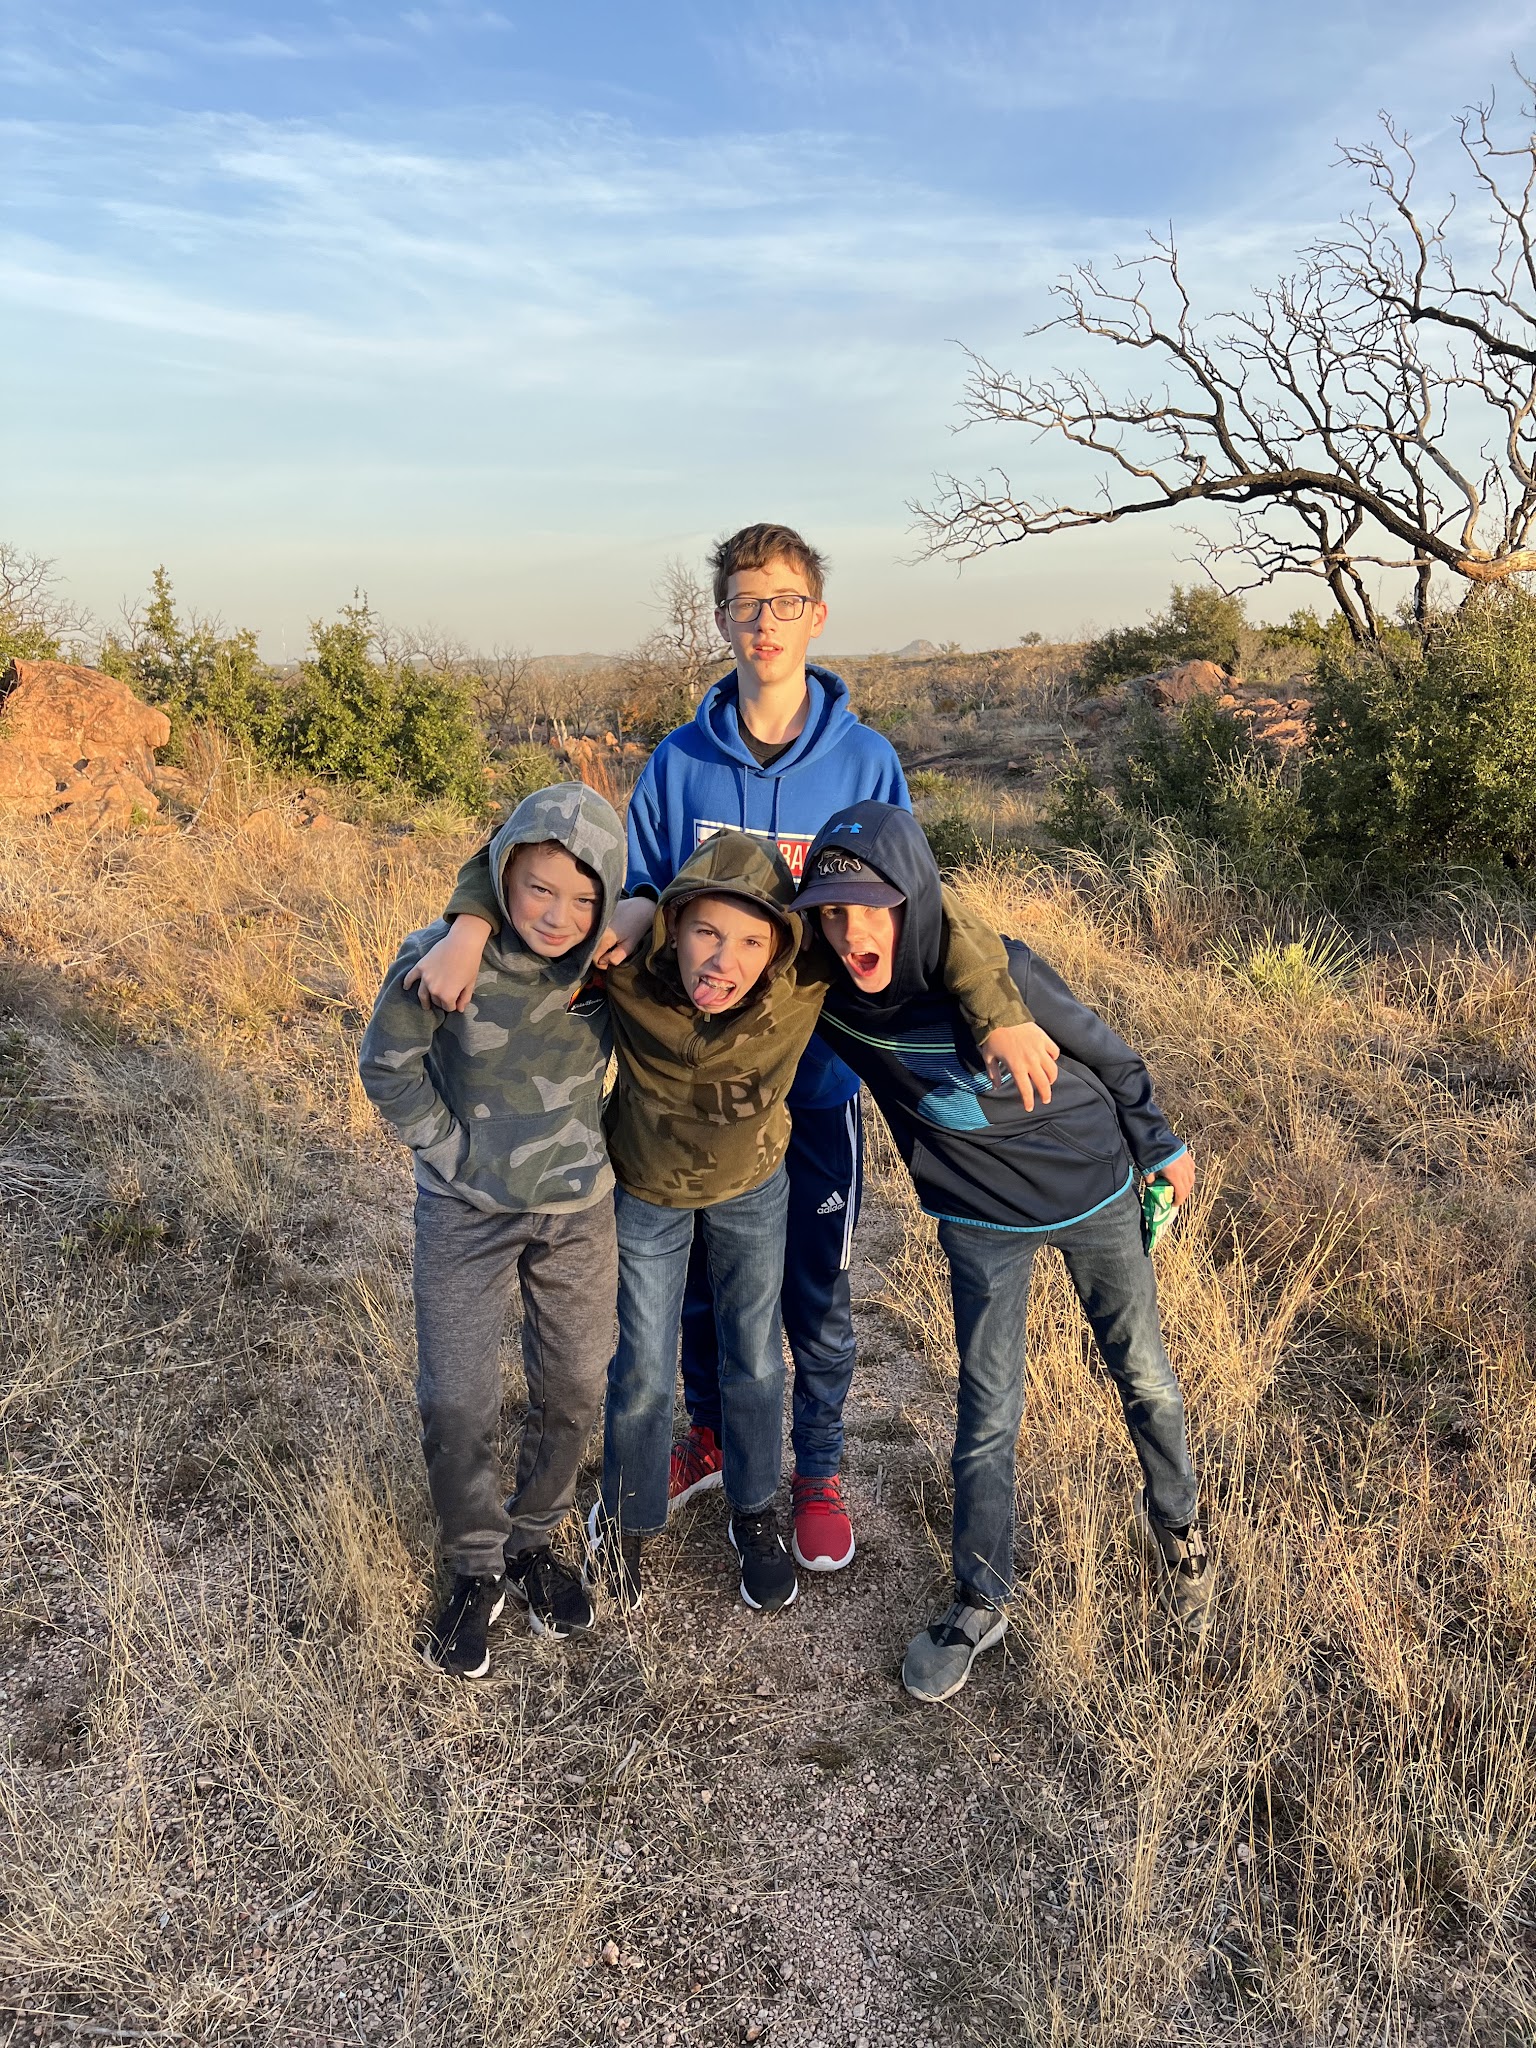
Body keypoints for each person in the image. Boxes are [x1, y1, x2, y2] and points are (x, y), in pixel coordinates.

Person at [408, 522, 1058, 1577]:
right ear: (719, 618)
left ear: (818, 616)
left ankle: (815, 1470)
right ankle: (709, 1437)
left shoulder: (863, 760)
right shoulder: (678, 762)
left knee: (808, 1289)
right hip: (683, 1093)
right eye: (746, 604)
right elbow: (593, 877)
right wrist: (499, 921)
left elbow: (924, 903)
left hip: (815, 1078)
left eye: (785, 602)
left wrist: (1000, 1009)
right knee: (697, 1287)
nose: (765, 622)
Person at [793, 802, 1212, 1704]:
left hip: (1093, 1190)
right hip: (979, 1223)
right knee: (987, 1413)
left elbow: (1113, 1056)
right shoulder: (829, 998)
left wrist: (1165, 1149)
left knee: (1142, 1373)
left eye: (873, 906)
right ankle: (981, 1598)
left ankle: (1180, 1533)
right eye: (831, 911)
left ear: (914, 899)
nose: (852, 929)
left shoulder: (1005, 970)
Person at [580, 823, 1041, 1616]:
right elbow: (529, 901)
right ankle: (627, 1519)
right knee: (644, 1366)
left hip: (756, 1186)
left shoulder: (803, 973)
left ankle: (755, 1511)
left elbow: (938, 913)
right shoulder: (628, 966)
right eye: (704, 934)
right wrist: (626, 908)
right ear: (674, 926)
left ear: (781, 945)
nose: (722, 961)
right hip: (648, 1191)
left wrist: (1001, 1013)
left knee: (756, 1356)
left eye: (749, 942)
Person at [357, 783, 628, 1679]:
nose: (559, 915)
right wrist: (453, 1155)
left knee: (577, 1385)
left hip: (578, 1210)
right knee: (456, 1398)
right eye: (539, 888)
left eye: (584, 898)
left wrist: (639, 905)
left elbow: (681, 913)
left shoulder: (608, 962)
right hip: (466, 1213)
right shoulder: (443, 958)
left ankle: (534, 1539)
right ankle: (474, 1564)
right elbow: (385, 1066)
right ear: (504, 874)